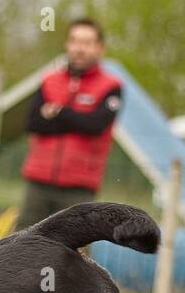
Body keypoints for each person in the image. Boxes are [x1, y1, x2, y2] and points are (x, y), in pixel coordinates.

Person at [17, 18, 123, 229]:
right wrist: (76, 119)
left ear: (100, 48)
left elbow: (96, 125)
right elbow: (33, 123)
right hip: (38, 183)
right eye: (74, 41)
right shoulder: (49, 80)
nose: (79, 49)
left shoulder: (111, 86)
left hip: (79, 189)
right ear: (67, 44)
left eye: (87, 42)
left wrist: (58, 113)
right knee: (21, 249)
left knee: (73, 255)